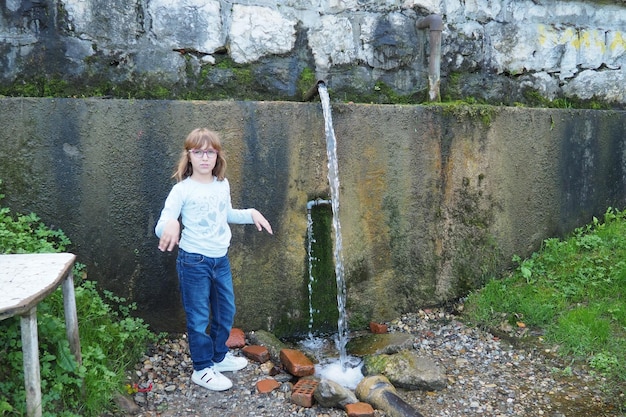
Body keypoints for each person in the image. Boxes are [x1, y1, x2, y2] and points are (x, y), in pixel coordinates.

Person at [155, 128, 273, 391]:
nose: (204, 157)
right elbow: (164, 222)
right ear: (189, 156)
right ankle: (202, 367)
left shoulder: (222, 184)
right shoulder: (182, 190)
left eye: (210, 152)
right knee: (198, 317)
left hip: (220, 261)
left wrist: (250, 212)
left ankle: (218, 357)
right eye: (198, 152)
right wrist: (170, 225)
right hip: (193, 262)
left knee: (225, 312)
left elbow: (225, 213)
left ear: (217, 155)